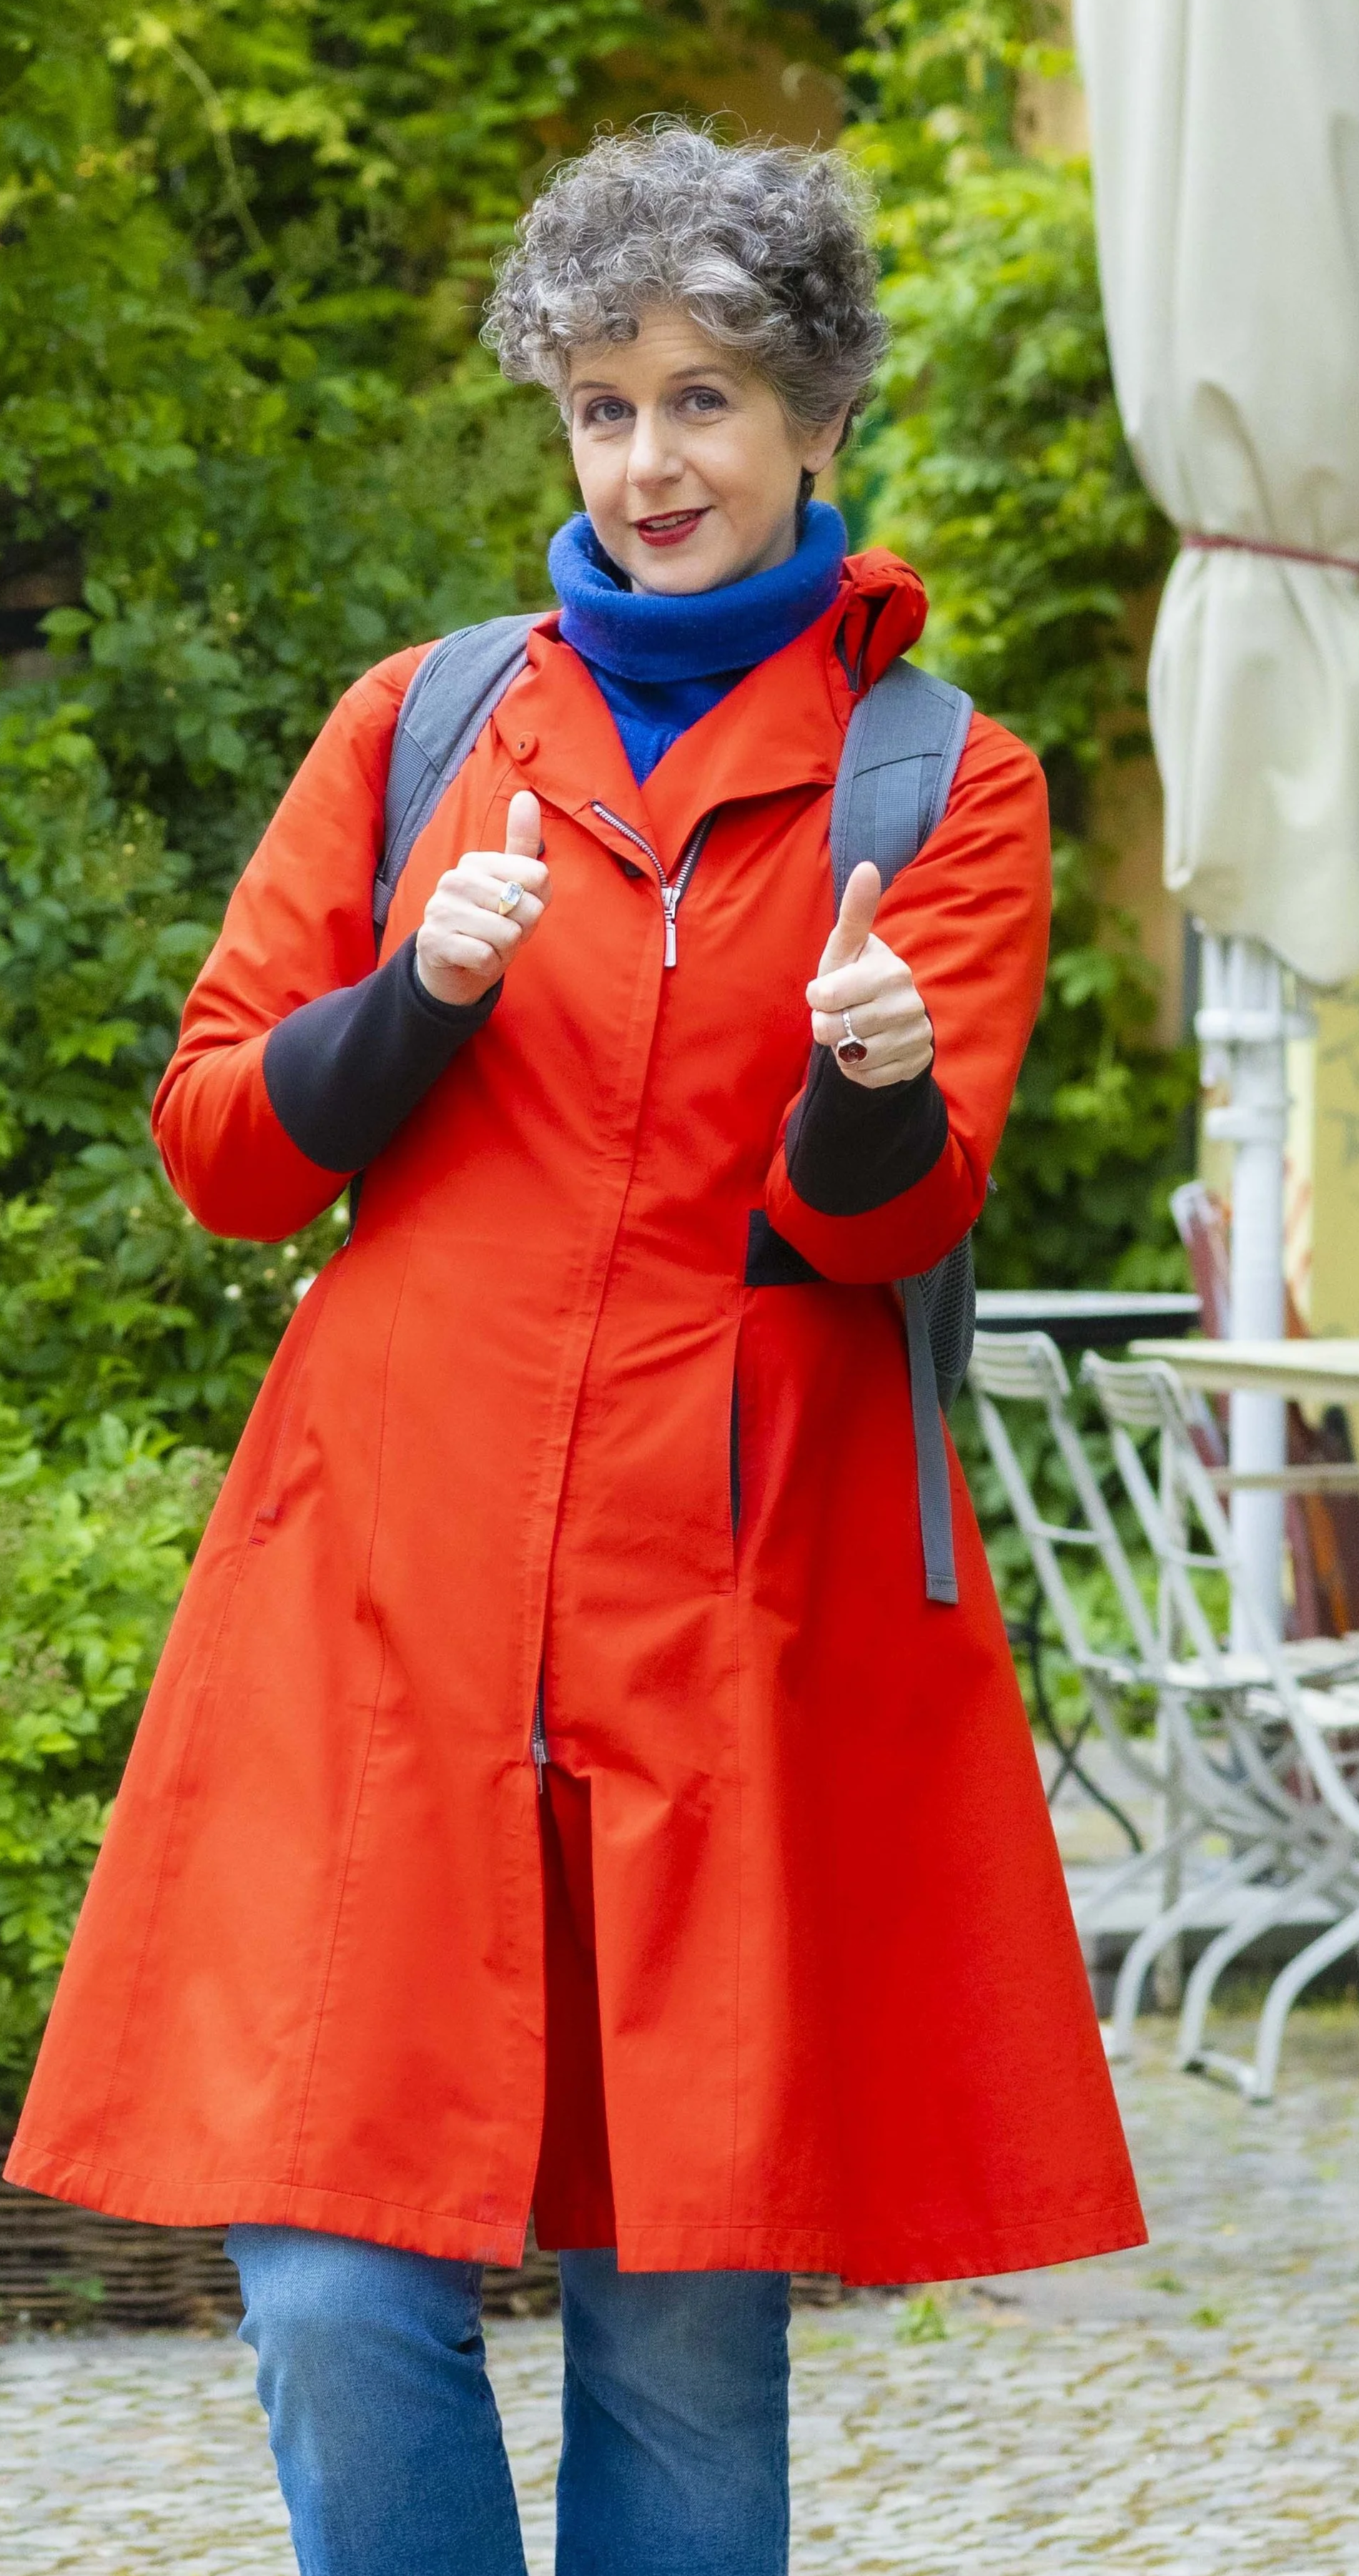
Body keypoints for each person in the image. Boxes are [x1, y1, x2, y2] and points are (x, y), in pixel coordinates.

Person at [6, 122, 1145, 2576]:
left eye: (707, 397)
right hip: (387, 1600)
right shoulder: (415, 726)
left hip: (724, 1617)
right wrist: (411, 993)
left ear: (818, 418)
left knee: (677, 2327)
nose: (652, 459)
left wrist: (864, 1085)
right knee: (324, 2278)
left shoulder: (938, 782)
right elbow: (218, 1139)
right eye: (605, 403)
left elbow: (894, 1221)